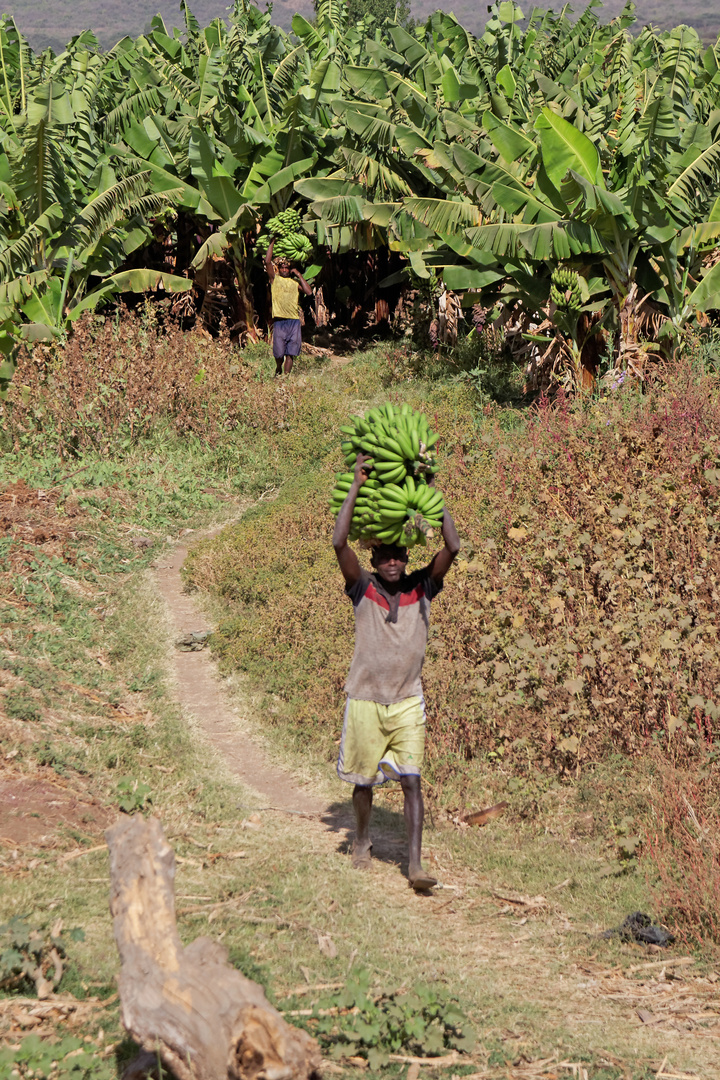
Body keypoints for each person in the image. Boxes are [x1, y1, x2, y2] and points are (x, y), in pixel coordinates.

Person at [332, 452, 460, 891]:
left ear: (407, 556)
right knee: (363, 784)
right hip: (366, 698)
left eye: (399, 555)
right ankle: (363, 839)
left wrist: (431, 496)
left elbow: (453, 548)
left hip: (407, 699)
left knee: (411, 781)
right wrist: (356, 484)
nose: (393, 562)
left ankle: (415, 864)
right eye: (385, 555)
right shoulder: (362, 587)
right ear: (375, 557)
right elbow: (339, 544)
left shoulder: (421, 587)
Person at [265, 237, 312, 377]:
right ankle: (278, 367)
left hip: (294, 321)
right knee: (279, 353)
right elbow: (267, 261)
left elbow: (309, 292)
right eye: (282, 268)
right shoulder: (275, 280)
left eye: (287, 268)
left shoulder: (294, 283)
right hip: (279, 321)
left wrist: (299, 275)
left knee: (290, 353)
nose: (285, 270)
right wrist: (272, 242)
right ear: (278, 269)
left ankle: (285, 378)